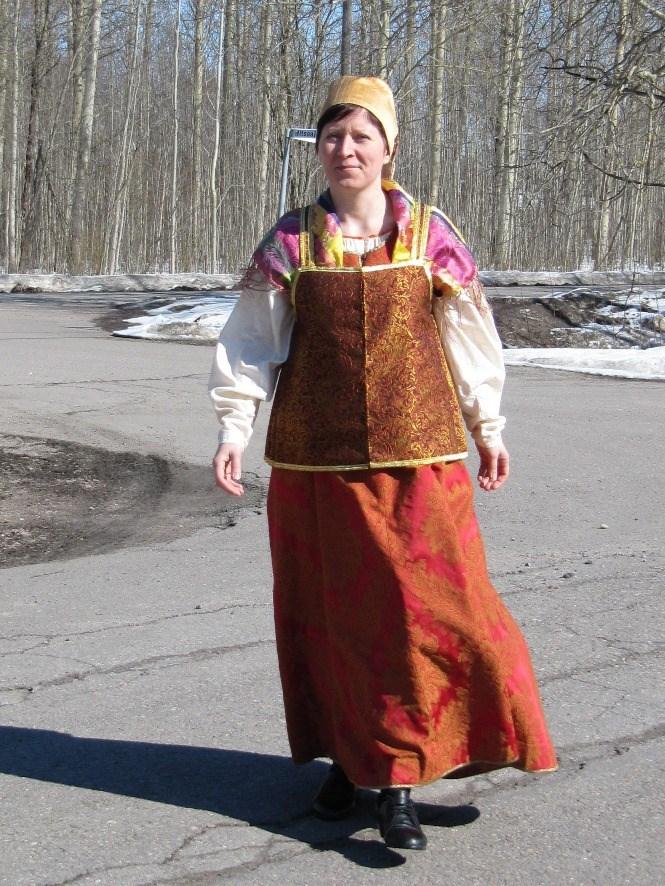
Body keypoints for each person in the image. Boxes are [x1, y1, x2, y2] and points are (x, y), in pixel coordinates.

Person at [209, 75, 557, 851]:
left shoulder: (429, 235)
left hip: (419, 462)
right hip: (315, 469)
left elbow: (470, 338)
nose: (345, 149)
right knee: (328, 617)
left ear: (388, 147)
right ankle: (350, 760)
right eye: (333, 136)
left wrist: (488, 425)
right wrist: (234, 427)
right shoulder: (293, 241)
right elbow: (250, 343)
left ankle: (401, 770)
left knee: (431, 613)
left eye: (361, 136)